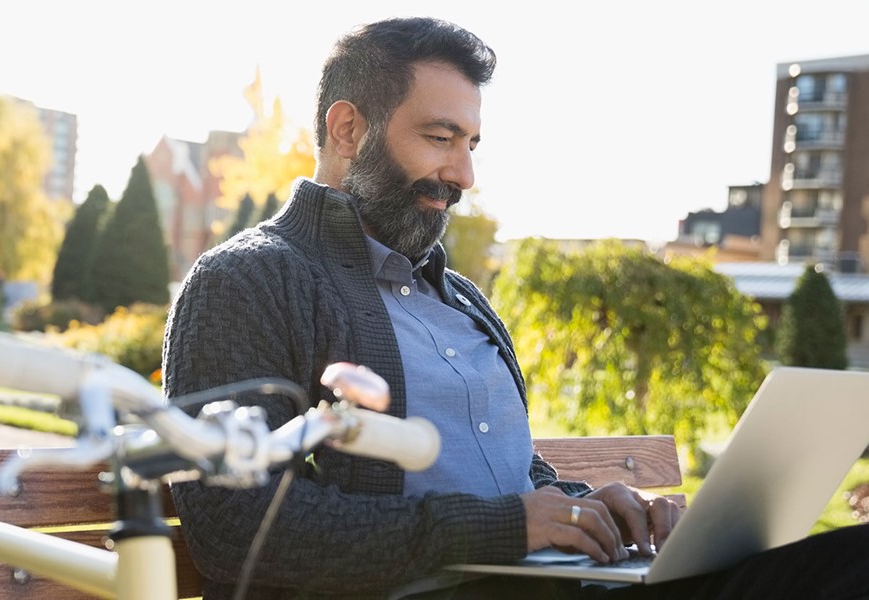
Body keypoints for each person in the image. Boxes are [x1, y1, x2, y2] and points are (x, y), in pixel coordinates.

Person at [162, 16, 869, 600]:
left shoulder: (460, 298)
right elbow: (238, 528)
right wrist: (510, 529)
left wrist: (590, 505)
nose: (463, 174)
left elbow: (508, 479)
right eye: (440, 138)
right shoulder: (249, 280)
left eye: (470, 144)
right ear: (348, 130)